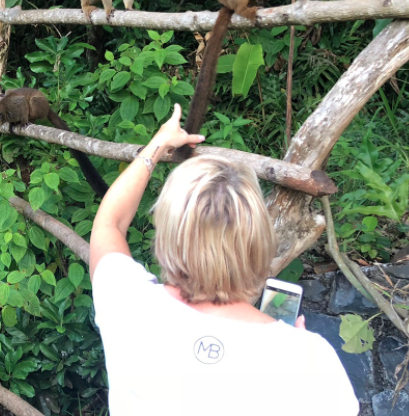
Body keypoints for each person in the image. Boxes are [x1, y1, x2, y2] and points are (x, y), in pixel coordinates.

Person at [88, 104, 359, 416]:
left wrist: (159, 144)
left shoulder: (130, 306)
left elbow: (109, 223)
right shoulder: (310, 362)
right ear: (259, 242)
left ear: (165, 237)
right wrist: (298, 356)